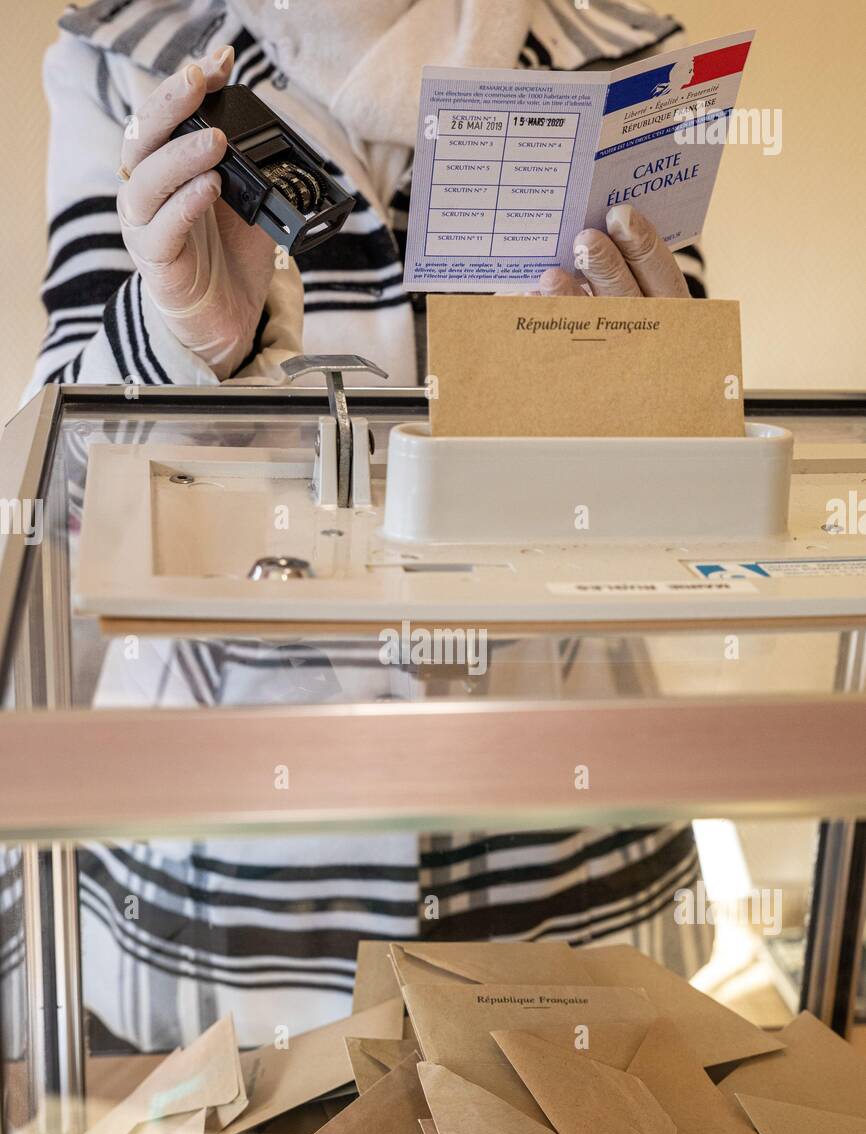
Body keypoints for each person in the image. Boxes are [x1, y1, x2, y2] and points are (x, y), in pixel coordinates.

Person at [26, 0, 711, 1050]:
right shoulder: (125, 52)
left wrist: (660, 395)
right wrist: (185, 337)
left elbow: (673, 498)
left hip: (560, 847)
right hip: (227, 884)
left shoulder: (621, 56)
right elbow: (61, 489)